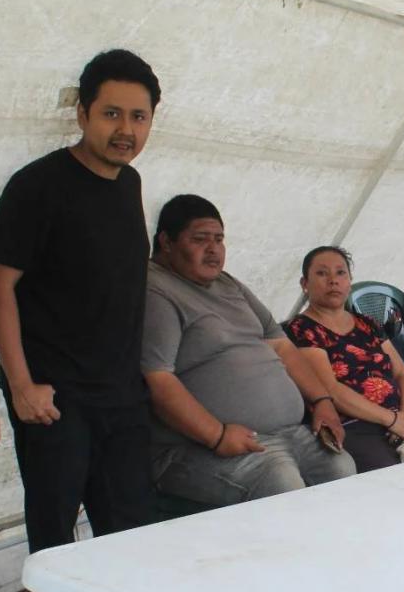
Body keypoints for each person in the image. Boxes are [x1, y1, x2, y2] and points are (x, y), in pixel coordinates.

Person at [0, 51, 230, 592]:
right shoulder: (37, 186)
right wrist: (21, 384)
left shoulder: (130, 184)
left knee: (135, 522)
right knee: (56, 527)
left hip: (119, 389)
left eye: (138, 117)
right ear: (82, 112)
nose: (126, 129)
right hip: (53, 394)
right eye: (112, 114)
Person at [142, 196, 356, 503]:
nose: (213, 249)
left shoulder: (228, 284)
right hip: (199, 445)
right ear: (166, 242)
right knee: (281, 483)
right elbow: (157, 379)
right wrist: (216, 435)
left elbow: (281, 344)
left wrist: (322, 401)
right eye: (200, 239)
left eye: (219, 239)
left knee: (342, 467)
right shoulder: (156, 289)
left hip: (287, 433)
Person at [286, 246, 404, 471]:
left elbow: (402, 373)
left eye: (340, 272)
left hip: (396, 423)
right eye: (322, 273)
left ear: (349, 281)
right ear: (304, 284)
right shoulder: (302, 329)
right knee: (397, 478)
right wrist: (391, 420)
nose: (333, 280)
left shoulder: (367, 324)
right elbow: (331, 390)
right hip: (351, 426)